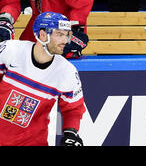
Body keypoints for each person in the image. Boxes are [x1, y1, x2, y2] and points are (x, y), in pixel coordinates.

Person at [0, 12, 85, 146]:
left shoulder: (67, 72)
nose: (64, 40)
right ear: (43, 34)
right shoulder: (11, 50)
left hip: (32, 142)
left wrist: (71, 133)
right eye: (59, 34)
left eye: (66, 35)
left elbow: (74, 109)